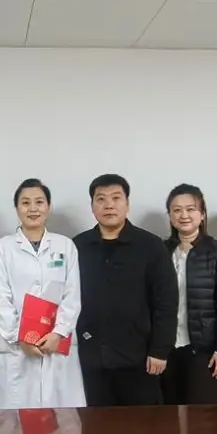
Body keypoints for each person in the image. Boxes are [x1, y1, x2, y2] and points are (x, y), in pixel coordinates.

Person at [73, 174, 177, 406]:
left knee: (143, 425)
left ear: (127, 204)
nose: (109, 205)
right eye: (101, 199)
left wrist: (160, 350)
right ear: (92, 206)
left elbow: (166, 303)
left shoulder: (151, 246)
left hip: (140, 360)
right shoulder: (77, 246)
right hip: (90, 360)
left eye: (116, 198)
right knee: (96, 425)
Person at [0, 179, 85, 409]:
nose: (33, 208)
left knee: (62, 420)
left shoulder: (65, 246)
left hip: (56, 345)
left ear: (48, 207)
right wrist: (21, 337)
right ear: (17, 208)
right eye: (25, 203)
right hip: (16, 349)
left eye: (39, 202)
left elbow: (72, 296)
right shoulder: (2, 248)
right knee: (14, 422)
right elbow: (1, 300)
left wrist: (59, 332)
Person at [162, 184, 217, 405]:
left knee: (202, 416)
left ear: (202, 214)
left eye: (191, 209)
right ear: (170, 216)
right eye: (177, 210)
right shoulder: (161, 251)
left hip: (205, 350)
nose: (184, 215)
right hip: (167, 349)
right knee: (167, 415)